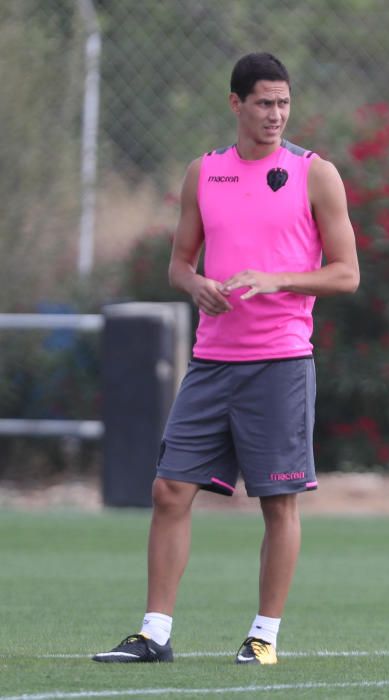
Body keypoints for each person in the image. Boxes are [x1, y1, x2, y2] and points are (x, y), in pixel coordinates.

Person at [93, 52, 359, 666]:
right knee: (167, 491)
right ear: (235, 104)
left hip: (281, 363)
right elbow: (179, 264)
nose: (276, 115)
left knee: (278, 503)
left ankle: (263, 637)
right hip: (211, 362)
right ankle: (154, 633)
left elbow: (347, 275)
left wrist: (279, 279)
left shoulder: (315, 174)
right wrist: (195, 286)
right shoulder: (203, 173)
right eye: (264, 103)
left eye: (284, 103)